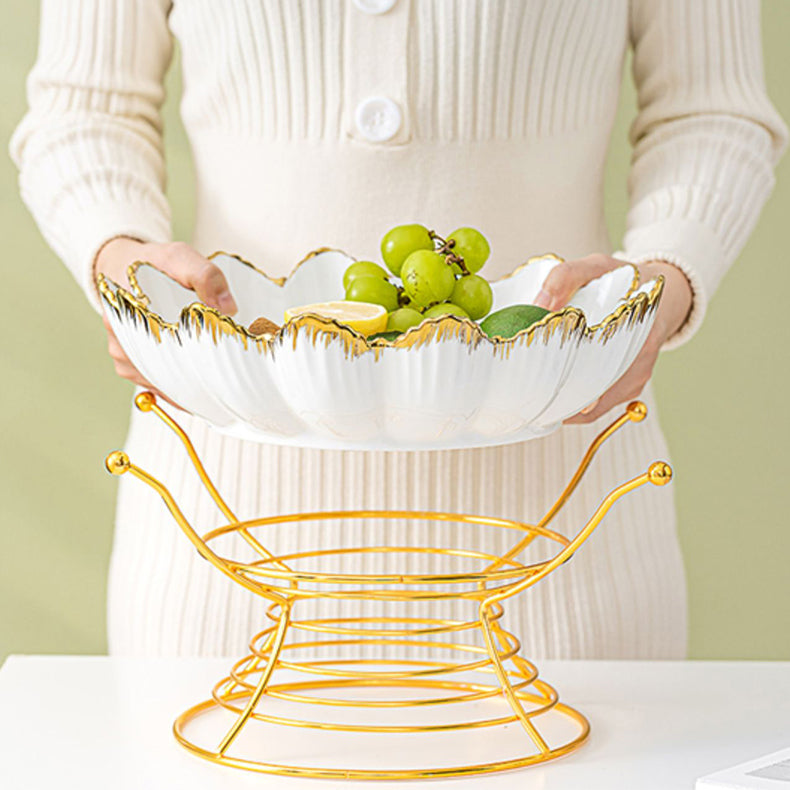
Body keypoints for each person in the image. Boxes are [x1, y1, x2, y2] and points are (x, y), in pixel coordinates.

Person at [11, 0, 786, 659]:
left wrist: (667, 283)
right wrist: (118, 253)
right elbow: (84, 108)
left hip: (567, 557)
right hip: (220, 558)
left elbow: (712, 110)